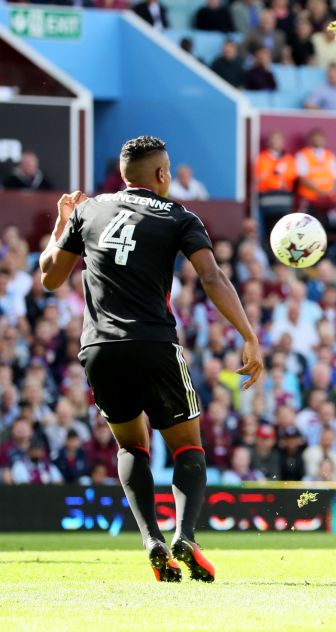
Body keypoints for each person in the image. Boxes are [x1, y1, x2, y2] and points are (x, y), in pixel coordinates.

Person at [38, 136, 264, 583]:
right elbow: (212, 277)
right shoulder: (180, 217)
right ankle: (186, 535)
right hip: (155, 344)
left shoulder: (89, 210)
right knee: (187, 446)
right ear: (162, 174)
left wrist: (60, 224)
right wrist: (248, 335)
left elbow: (50, 278)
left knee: (131, 445)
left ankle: (150, 540)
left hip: (99, 348)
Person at [254, 131, 296, 245]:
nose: (276, 142)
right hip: (267, 201)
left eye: (279, 139)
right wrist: (275, 172)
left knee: (284, 231)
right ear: (268, 142)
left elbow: (291, 175)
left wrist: (276, 175)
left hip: (284, 201)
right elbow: (259, 178)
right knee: (266, 231)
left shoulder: (288, 158)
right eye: (273, 139)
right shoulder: (262, 158)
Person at [295, 128, 336, 222]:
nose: (318, 140)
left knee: (331, 226)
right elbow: (302, 177)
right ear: (310, 139)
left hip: (329, 199)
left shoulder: (330, 155)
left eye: (321, 137)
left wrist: (331, 191)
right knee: (308, 226)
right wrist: (319, 191)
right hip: (310, 199)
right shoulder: (303, 155)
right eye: (315, 137)